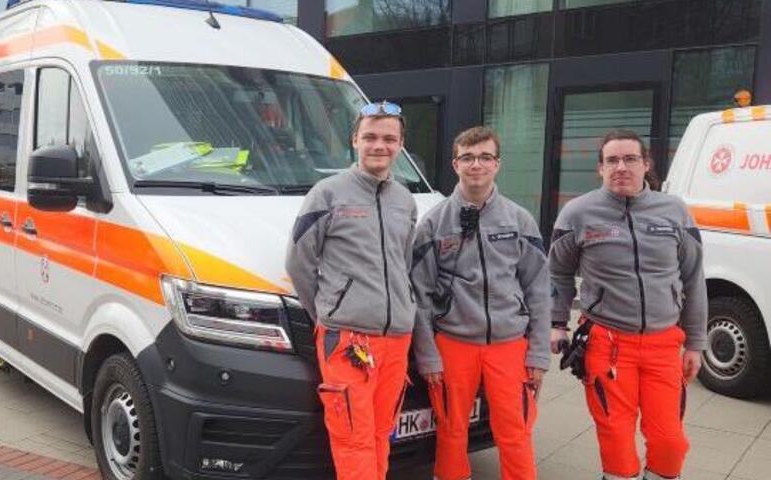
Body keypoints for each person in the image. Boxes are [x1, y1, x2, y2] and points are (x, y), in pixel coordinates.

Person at [550, 129, 706, 480]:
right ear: (600, 168)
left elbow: (694, 278)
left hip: (664, 346)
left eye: (630, 159)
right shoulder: (577, 213)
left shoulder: (674, 211)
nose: (621, 167)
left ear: (645, 164)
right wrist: (557, 324)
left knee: (670, 442)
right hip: (607, 345)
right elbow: (557, 273)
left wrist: (696, 343)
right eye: (612, 160)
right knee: (617, 441)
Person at [285, 101, 418, 480]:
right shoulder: (327, 194)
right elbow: (298, 262)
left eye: (389, 139)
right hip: (348, 339)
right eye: (370, 137)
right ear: (354, 140)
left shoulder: (405, 200)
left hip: (397, 339)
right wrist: (330, 311)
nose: (380, 145)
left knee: (380, 433)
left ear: (400, 144)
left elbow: (404, 264)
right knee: (353, 439)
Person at [411, 126, 551, 480]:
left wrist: (538, 352)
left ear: (497, 164)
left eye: (485, 157)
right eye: (468, 158)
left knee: (516, 431)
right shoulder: (434, 223)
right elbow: (419, 294)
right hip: (453, 344)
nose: (477, 165)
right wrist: (427, 354)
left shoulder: (519, 219)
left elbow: (538, 288)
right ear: (455, 164)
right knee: (451, 431)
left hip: (509, 345)